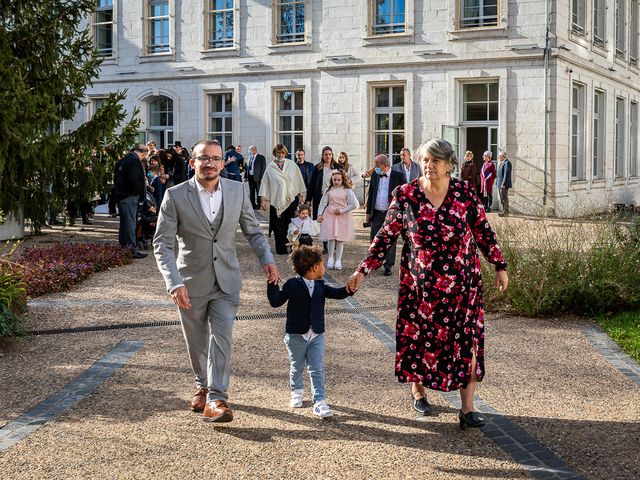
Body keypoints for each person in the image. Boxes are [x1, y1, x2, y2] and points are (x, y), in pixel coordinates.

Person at [348, 138, 508, 429]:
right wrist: (363, 271)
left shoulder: (464, 193)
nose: (429, 165)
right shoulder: (407, 194)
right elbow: (386, 236)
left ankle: (468, 408)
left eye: (436, 160)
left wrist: (499, 264)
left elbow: (483, 230)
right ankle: (418, 389)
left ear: (450, 165)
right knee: (421, 340)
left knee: (466, 343)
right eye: (425, 159)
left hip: (463, 286)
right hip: (420, 287)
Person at [153, 139, 279, 423]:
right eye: (203, 158)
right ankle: (202, 383)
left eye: (215, 158)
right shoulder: (174, 196)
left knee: (221, 338)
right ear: (192, 162)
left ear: (224, 163)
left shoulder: (236, 190)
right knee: (196, 340)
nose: (209, 163)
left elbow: (253, 231)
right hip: (189, 282)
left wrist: (268, 261)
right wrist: (174, 282)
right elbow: (162, 244)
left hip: (226, 281)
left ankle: (216, 398)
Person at [267, 245, 355, 418]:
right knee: (297, 366)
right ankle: (297, 391)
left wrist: (349, 289)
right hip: (295, 335)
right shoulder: (292, 284)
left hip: (316, 335)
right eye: (322, 264)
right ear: (315, 267)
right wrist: (272, 283)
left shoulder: (321, 285)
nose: (323, 267)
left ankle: (319, 401)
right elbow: (276, 301)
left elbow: (337, 293)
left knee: (316, 368)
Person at [260, 144, 307, 255]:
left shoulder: (291, 165)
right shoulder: (270, 167)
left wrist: (301, 194)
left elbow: (298, 179)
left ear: (285, 153)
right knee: (278, 225)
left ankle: (292, 246)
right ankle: (280, 248)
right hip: (277, 200)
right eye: (278, 153)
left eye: (282, 153)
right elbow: (265, 183)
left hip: (291, 199)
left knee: (291, 223)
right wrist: (263, 200)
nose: (280, 155)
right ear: (275, 153)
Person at [364, 154, 404, 276]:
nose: (375, 168)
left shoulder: (398, 176)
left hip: (391, 213)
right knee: (374, 238)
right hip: (376, 212)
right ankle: (377, 261)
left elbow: (404, 195)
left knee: (390, 240)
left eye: (377, 165)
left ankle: (388, 265)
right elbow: (371, 193)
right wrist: (368, 213)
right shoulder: (376, 175)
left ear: (385, 165)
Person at [317, 170, 359, 270]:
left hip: (342, 216)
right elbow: (323, 203)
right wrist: (319, 214)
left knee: (340, 239)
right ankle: (330, 258)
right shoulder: (328, 190)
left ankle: (338, 260)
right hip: (330, 215)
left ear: (342, 180)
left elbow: (354, 204)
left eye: (338, 180)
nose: (336, 181)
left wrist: (342, 211)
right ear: (332, 180)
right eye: (334, 179)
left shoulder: (347, 190)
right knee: (331, 238)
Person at [113, 144, 148, 259]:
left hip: (121, 195)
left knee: (124, 222)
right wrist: (137, 192)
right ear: (144, 154)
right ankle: (131, 249)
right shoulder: (135, 161)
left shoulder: (122, 160)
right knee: (130, 222)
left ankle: (124, 246)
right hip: (129, 196)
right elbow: (134, 179)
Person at [308, 146, 339, 254]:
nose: (328, 156)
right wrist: (308, 199)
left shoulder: (338, 167)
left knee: (333, 220)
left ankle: (334, 242)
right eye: (326, 154)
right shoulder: (317, 168)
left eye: (330, 154)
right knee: (322, 221)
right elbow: (311, 184)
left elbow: (344, 182)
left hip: (334, 198)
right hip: (320, 197)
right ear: (322, 155)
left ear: (332, 155)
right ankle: (326, 244)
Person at [245, 145, 266, 209]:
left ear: (254, 150)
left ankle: (259, 205)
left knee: (258, 192)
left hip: (258, 178)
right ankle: (252, 205)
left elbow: (263, 168)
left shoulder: (261, 157)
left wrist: (262, 178)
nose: (249, 151)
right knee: (252, 193)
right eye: (249, 150)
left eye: (250, 150)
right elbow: (247, 168)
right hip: (250, 177)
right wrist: (246, 176)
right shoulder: (249, 158)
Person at [496, 150, 512, 216]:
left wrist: (503, 183)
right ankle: (504, 211)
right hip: (500, 183)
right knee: (502, 198)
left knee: (504, 198)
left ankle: (505, 212)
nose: (498, 158)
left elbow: (506, 174)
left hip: (503, 184)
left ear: (503, 156)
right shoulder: (503, 162)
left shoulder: (507, 163)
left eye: (499, 156)